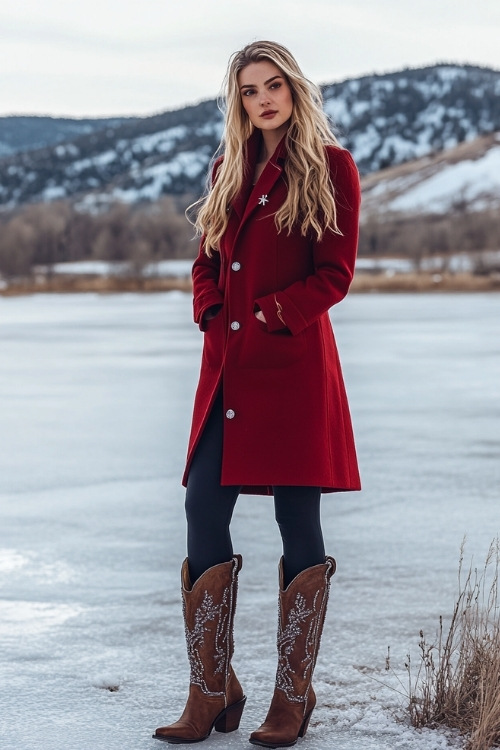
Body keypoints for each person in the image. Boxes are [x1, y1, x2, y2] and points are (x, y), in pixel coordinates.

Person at [153, 40, 361, 748]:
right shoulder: (227, 168)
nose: (263, 98)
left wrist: (270, 316)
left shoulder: (332, 168)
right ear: (236, 100)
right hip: (229, 371)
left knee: (297, 521)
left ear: (294, 90)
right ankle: (211, 691)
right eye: (248, 89)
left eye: (274, 85)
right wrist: (212, 313)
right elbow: (204, 261)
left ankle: (292, 699)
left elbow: (335, 274)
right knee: (202, 503)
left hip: (293, 371)